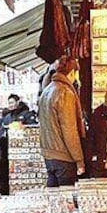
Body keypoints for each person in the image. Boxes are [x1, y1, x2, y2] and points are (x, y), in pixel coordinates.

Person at [38, 56, 86, 187]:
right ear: (72, 73)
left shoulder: (47, 90)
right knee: (67, 201)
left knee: (54, 199)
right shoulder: (65, 92)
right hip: (63, 156)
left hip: (49, 154)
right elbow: (69, 130)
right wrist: (79, 160)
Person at [0, 94, 35, 194]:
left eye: (12, 102)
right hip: (8, 151)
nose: (10, 105)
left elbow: (33, 130)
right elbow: (1, 133)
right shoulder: (7, 117)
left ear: (18, 102)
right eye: (9, 103)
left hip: (25, 151)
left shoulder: (27, 114)